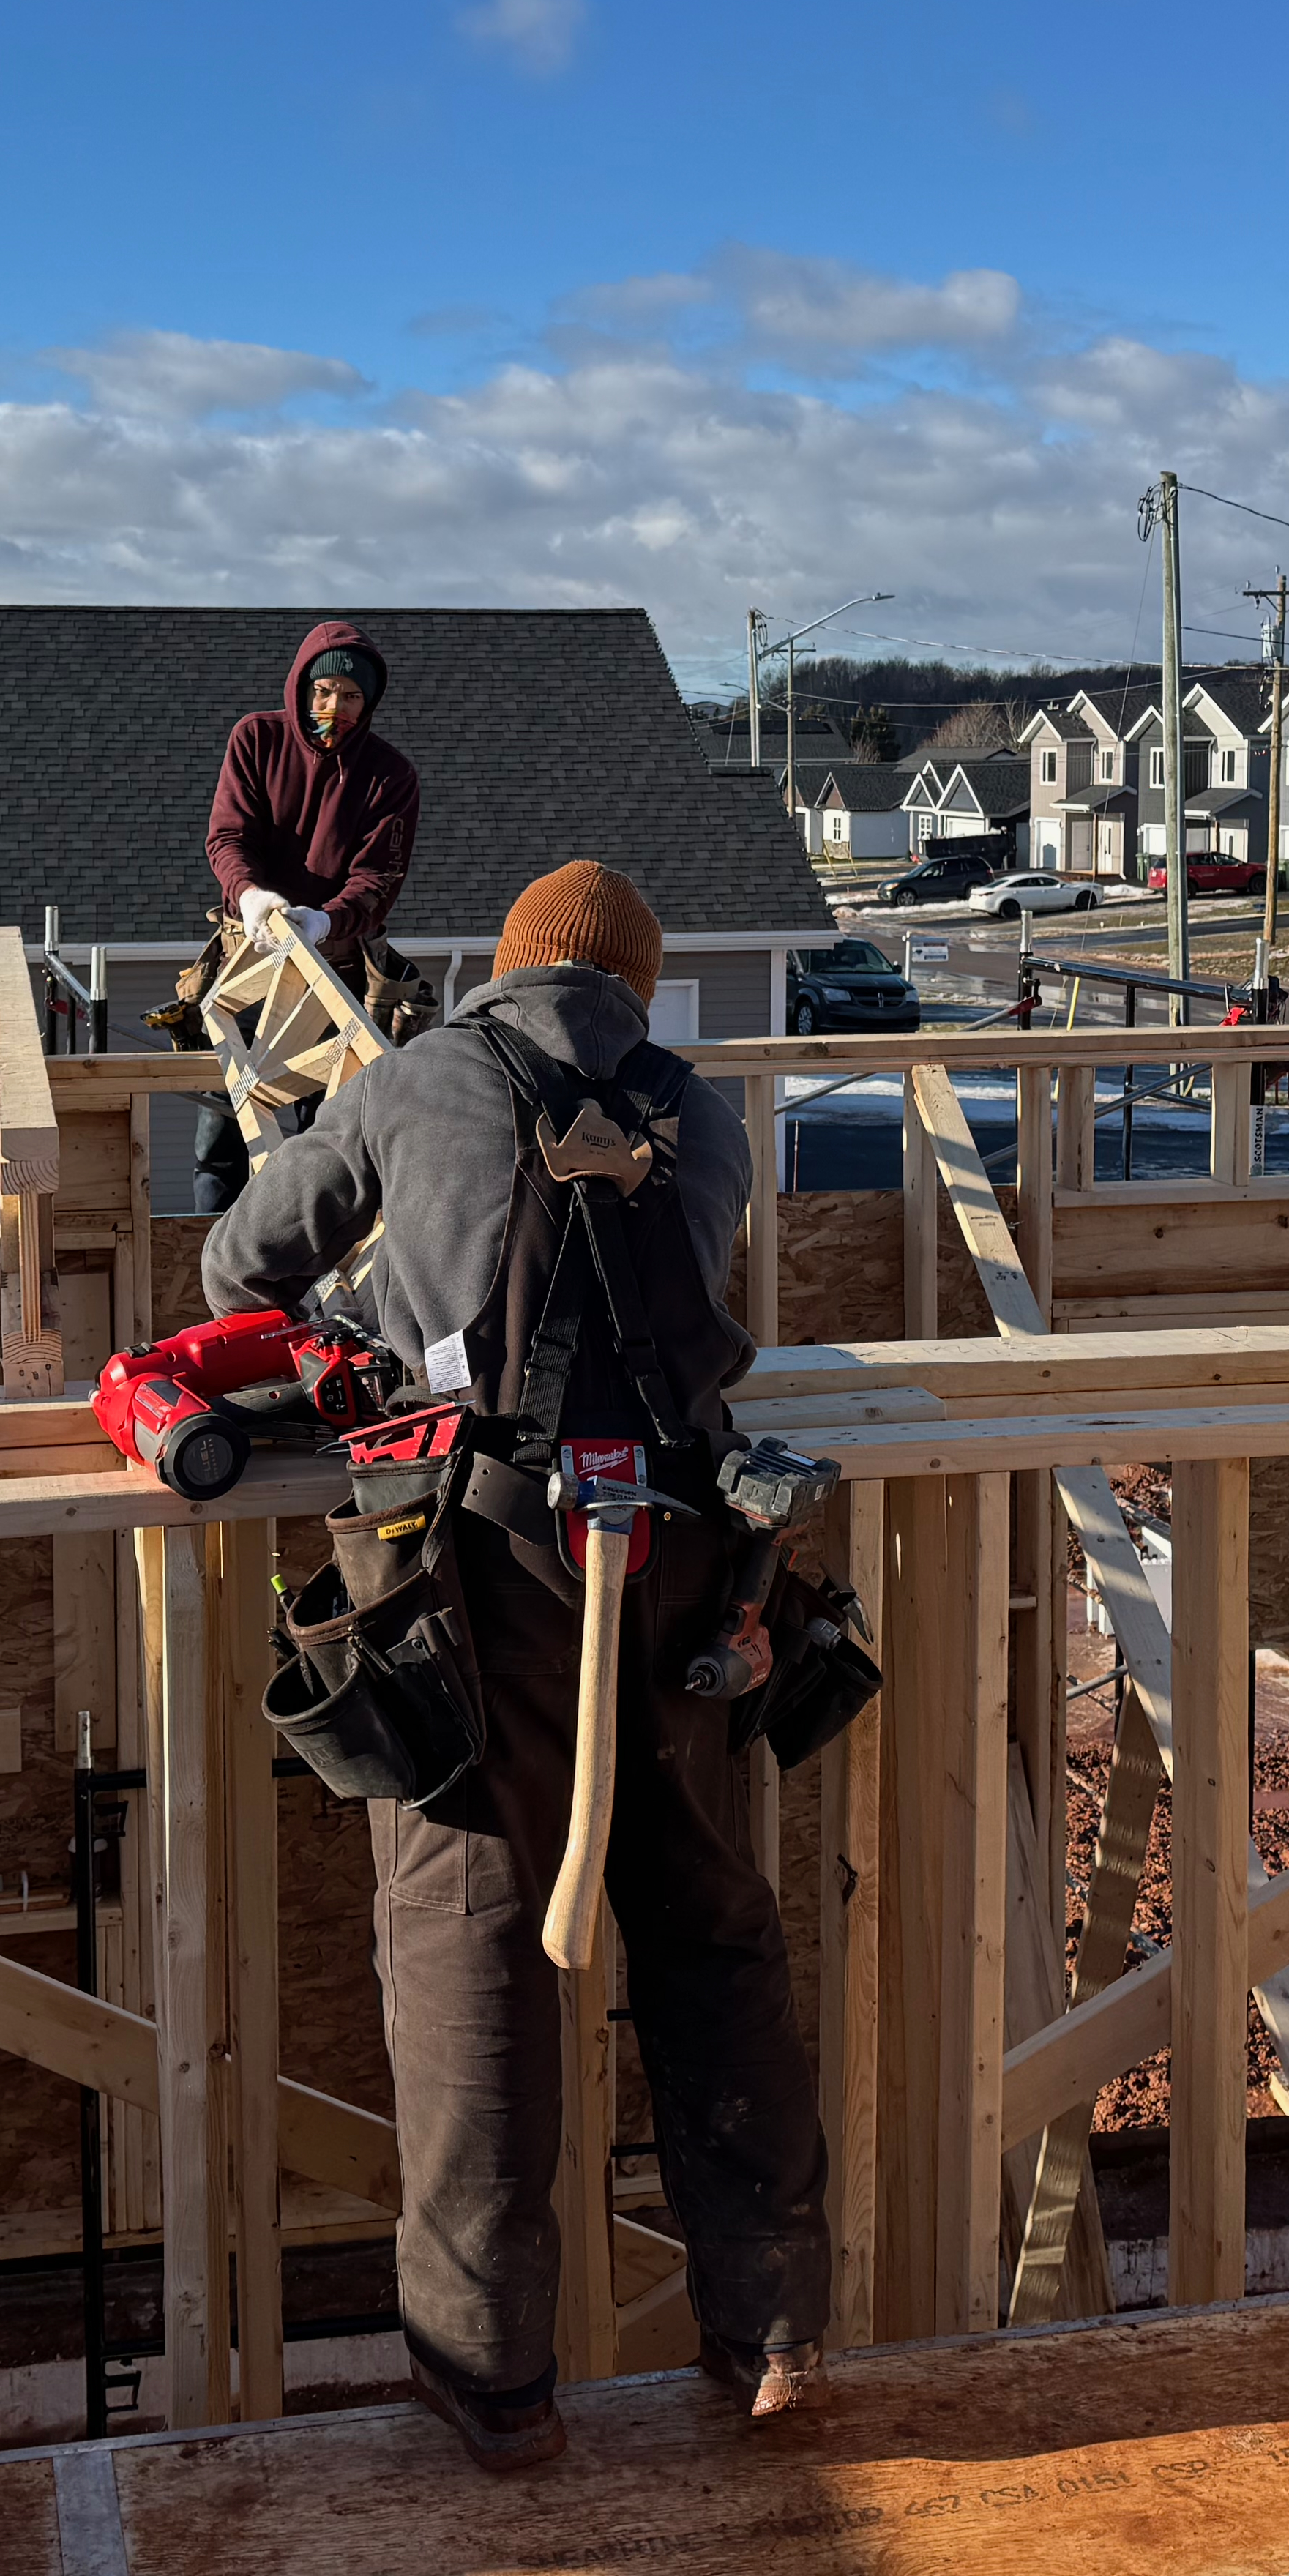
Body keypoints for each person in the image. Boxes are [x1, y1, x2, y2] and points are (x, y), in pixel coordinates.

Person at [202, 861, 829, 2471]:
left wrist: (373, 1317)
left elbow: (239, 1269)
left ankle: (493, 2381)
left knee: (472, 1940)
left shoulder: (417, 1078)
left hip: (479, 1574)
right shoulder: (704, 1109)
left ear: (506, 965)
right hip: (689, 1561)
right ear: (636, 987)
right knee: (711, 1934)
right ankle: (771, 2331)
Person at [185, 619, 425, 1209]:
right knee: (224, 1135)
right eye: (323, 691)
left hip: (334, 974)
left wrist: (323, 922)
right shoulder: (256, 739)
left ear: (369, 702)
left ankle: (314, 1262)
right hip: (247, 961)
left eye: (351, 696)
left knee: (330, 1143)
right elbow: (228, 836)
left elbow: (378, 879)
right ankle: (214, 1255)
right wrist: (250, 896)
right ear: (301, 688)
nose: (334, 708)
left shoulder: (390, 776)